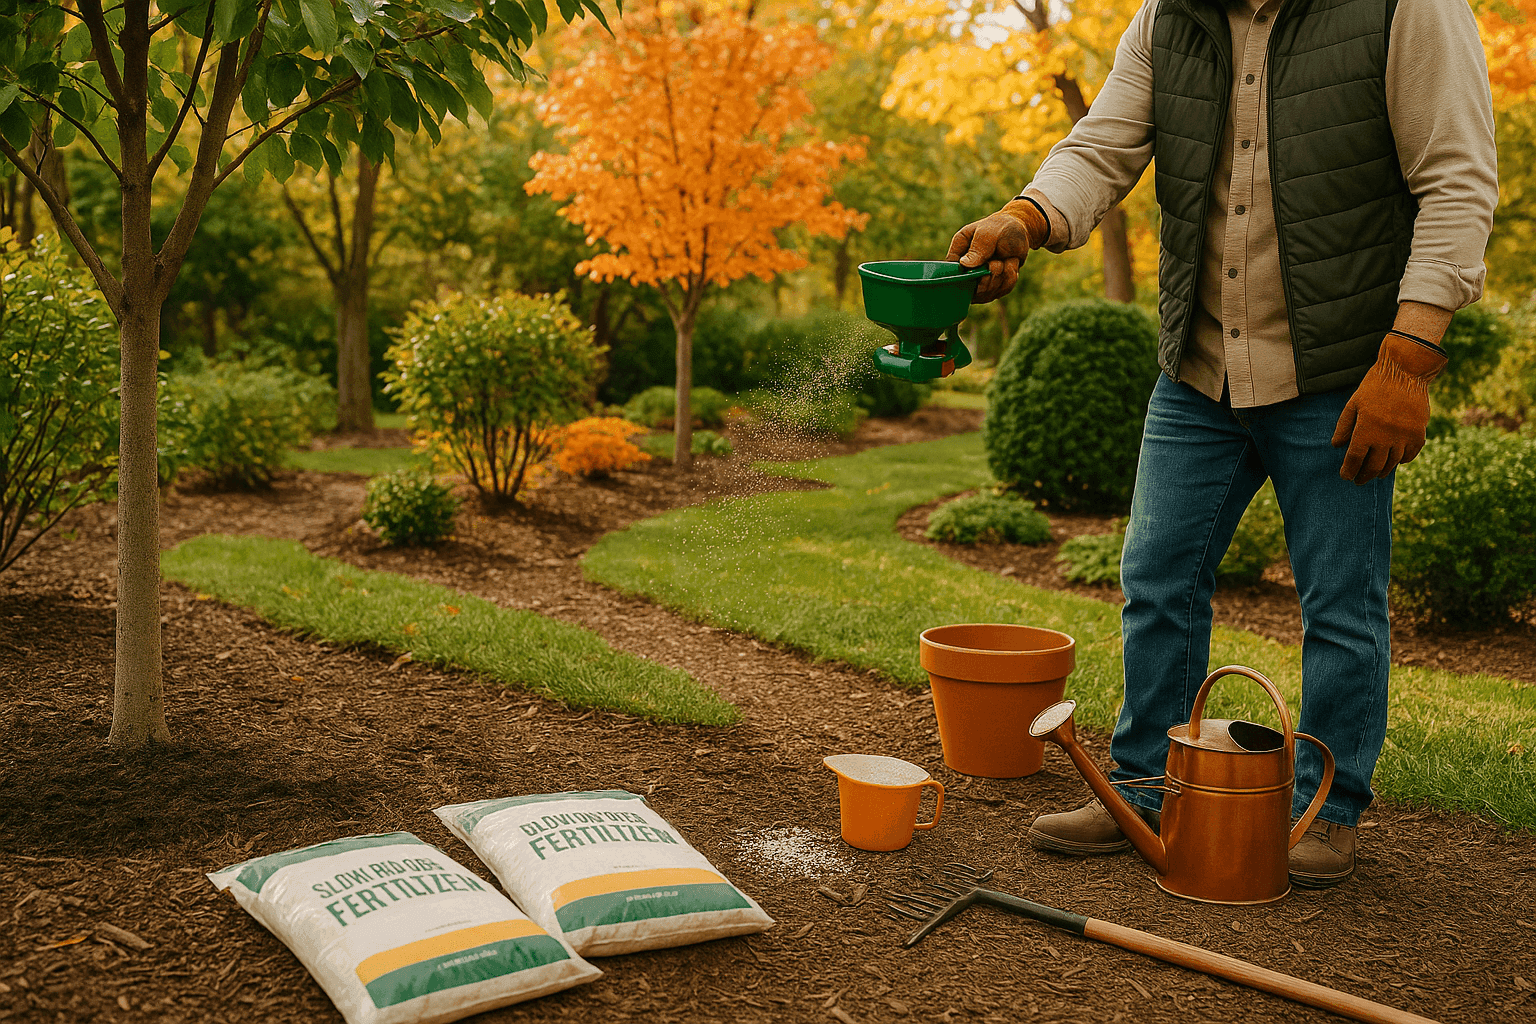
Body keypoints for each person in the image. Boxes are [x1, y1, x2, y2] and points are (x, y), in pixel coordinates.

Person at [948, 0, 1498, 888]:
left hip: (1343, 375)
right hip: (1199, 368)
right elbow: (1101, 147)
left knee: (1341, 608)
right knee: (1158, 579)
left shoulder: (1409, 9)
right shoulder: (1169, 19)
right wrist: (1027, 215)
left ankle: (1326, 808)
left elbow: (1459, 180)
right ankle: (1145, 789)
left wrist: (1409, 359)